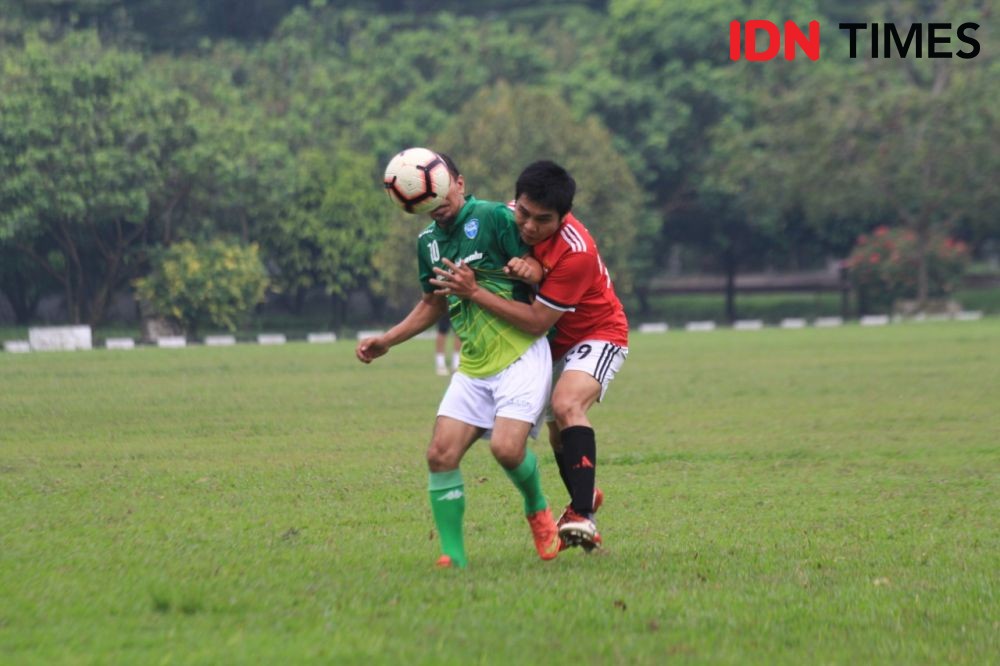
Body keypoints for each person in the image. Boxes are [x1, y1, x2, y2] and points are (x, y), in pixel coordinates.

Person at [356, 152, 562, 569]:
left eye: (443, 184)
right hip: (474, 364)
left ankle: (538, 510)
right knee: (440, 455)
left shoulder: (492, 218)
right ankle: (453, 555)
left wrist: (529, 267)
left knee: (507, 450)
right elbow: (432, 304)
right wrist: (388, 341)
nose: (438, 195)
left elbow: (543, 261)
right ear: (410, 200)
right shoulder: (427, 244)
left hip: (521, 352)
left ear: (459, 183)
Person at [430, 160, 628, 552]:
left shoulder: (578, 253)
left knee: (567, 404)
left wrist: (475, 293)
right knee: (557, 433)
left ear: (563, 216)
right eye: (523, 213)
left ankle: (582, 515)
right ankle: (584, 498)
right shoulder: (505, 219)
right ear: (515, 201)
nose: (530, 227)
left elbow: (537, 320)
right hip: (547, 346)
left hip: (596, 332)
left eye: (543, 220)